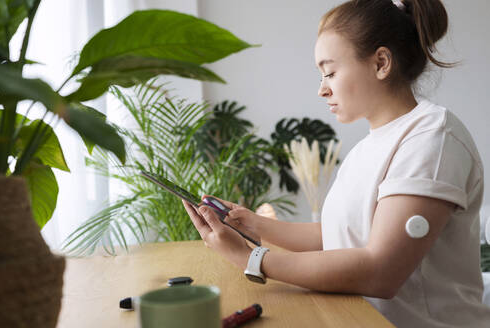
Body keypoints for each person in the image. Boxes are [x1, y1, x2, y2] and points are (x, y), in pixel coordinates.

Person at [182, 0, 490, 326]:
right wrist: (251, 224)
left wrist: (250, 258)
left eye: (330, 72)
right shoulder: (366, 148)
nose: (322, 89)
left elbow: (381, 272)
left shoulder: (433, 139)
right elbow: (338, 235)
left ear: (381, 63)